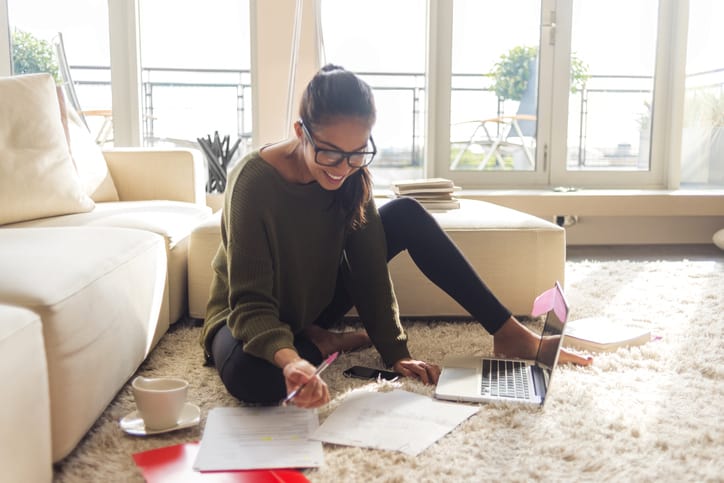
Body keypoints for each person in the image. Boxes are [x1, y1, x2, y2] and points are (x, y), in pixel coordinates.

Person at [200, 64, 592, 409]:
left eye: (357, 153)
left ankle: (510, 334)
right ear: (300, 131)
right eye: (331, 154)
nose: (343, 168)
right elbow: (250, 303)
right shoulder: (253, 182)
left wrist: (395, 352)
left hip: (313, 302)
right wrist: (292, 360)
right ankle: (318, 344)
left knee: (405, 213)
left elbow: (369, 270)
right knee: (256, 380)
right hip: (245, 315)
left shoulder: (353, 176)